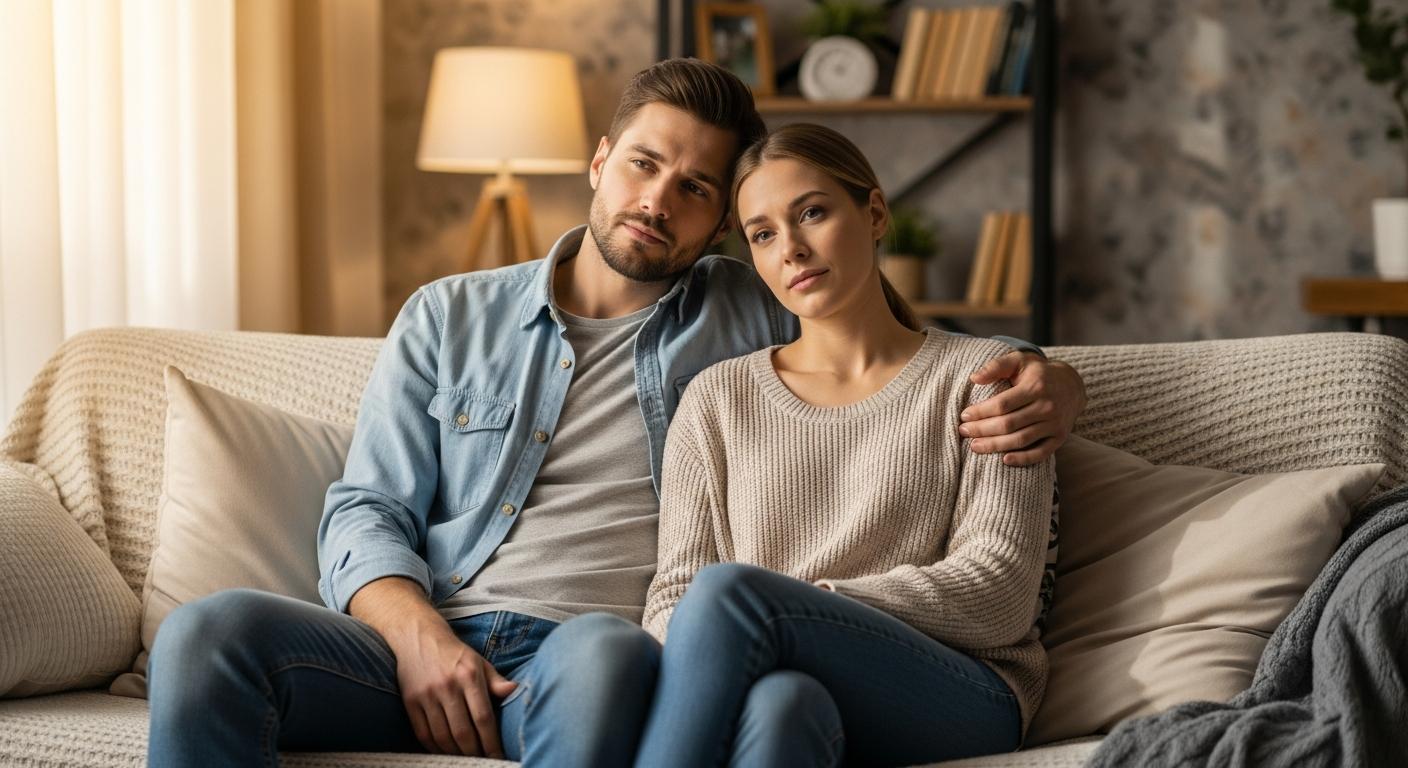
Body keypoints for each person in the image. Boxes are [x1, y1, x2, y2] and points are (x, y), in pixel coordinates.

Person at [145, 59, 1084, 767]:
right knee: (208, 634)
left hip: (590, 651)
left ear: (720, 227)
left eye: (695, 189)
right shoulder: (447, 314)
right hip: (423, 634)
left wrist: (1050, 377)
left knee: (606, 657)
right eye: (642, 164)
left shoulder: (750, 307)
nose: (656, 201)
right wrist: (419, 637)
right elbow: (365, 511)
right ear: (600, 162)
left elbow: (881, 333)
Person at [630, 123, 1057, 767]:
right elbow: (671, 600)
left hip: (959, 693)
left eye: (813, 213)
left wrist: (806, 611)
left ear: (875, 212)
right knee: (782, 708)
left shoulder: (984, 379)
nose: (792, 250)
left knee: (730, 598)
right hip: (781, 679)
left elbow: (999, 592)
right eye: (764, 234)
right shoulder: (717, 399)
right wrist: (783, 624)